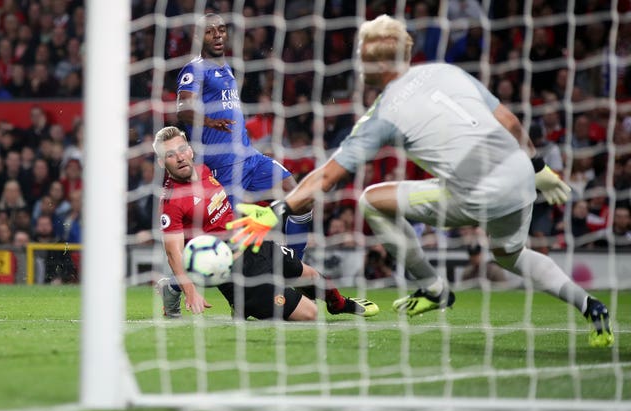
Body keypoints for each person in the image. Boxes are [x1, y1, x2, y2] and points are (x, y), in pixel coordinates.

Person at [226, 15, 614, 347]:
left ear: (365, 64)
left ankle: (432, 286)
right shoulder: (447, 71)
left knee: (370, 200)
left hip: (477, 193)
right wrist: (540, 169)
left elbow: (327, 176)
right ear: (408, 51)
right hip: (520, 179)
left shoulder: (384, 113)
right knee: (511, 254)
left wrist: (276, 212)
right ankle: (589, 305)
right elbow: (510, 122)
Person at [153, 126, 378, 320]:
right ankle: (243, 304)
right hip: (235, 274)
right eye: (171, 154)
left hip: (253, 244)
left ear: (190, 150)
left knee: (312, 277)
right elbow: (174, 253)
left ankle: (339, 305)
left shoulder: (203, 170)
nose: (180, 157)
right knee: (310, 314)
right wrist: (191, 292)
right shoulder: (172, 201)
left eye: (182, 149)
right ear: (163, 162)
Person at [175, 13, 312, 258]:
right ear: (198, 36)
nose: (217, 35)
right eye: (209, 31)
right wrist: (209, 122)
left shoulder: (227, 68)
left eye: (221, 29)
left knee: (300, 197)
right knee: (223, 244)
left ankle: (294, 266)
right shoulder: (195, 68)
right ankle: (174, 285)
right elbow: (184, 109)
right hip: (223, 166)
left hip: (251, 158)